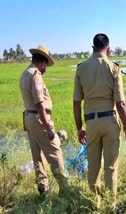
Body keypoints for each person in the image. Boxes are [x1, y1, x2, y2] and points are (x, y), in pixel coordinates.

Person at [73, 33, 126, 201]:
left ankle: (95, 203)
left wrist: (80, 128)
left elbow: (76, 103)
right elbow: (121, 103)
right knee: (110, 167)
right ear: (109, 49)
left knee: (93, 166)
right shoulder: (114, 68)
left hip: (91, 122)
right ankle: (111, 204)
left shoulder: (81, 68)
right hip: (110, 121)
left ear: (92, 48)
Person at [19, 45, 69, 196]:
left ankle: (42, 187)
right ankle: (66, 189)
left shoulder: (24, 73)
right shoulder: (35, 75)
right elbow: (40, 104)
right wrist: (48, 127)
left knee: (38, 156)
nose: (45, 68)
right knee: (55, 153)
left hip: (29, 118)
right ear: (42, 62)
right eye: (45, 65)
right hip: (39, 118)